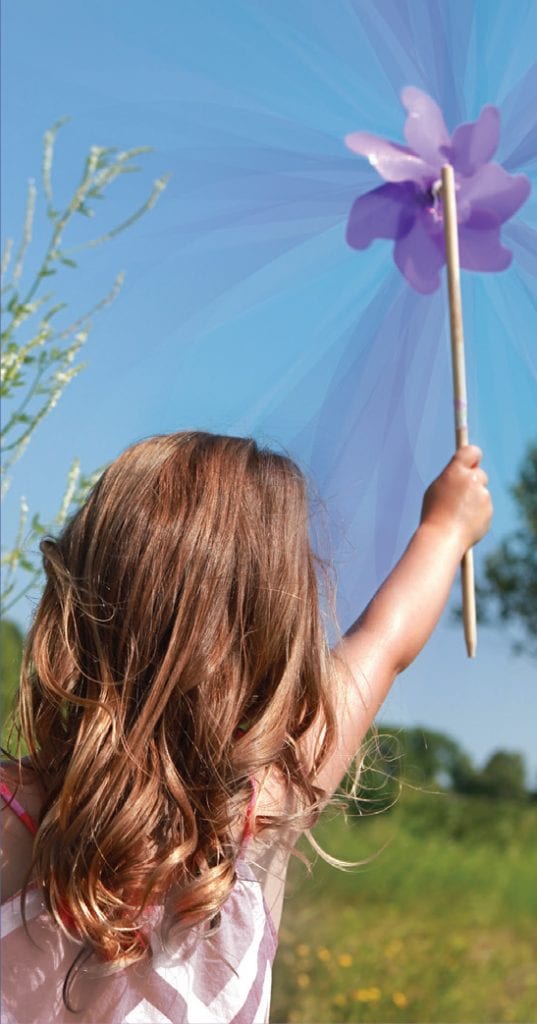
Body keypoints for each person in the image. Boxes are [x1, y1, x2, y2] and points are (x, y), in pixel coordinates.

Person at [1, 431, 492, 1023]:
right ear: (277, 636)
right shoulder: (268, 803)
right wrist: (444, 531)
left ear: (75, 595)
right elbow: (382, 643)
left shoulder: (14, 819)